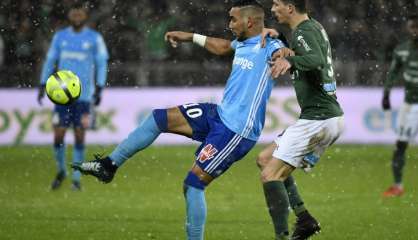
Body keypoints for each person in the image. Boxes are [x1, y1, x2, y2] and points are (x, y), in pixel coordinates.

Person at [73, 1, 286, 239]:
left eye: (233, 19)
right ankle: (109, 165)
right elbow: (224, 46)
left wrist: (284, 56)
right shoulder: (244, 43)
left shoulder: (271, 44)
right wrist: (190, 37)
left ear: (249, 22)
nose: (229, 24)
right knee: (158, 118)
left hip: (236, 131)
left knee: (193, 184)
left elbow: (283, 52)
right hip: (219, 115)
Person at [260, 0, 344, 239]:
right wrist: (282, 41)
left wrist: (290, 60)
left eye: (276, 4)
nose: (273, 9)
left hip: (319, 119)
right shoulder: (312, 27)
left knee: (269, 176)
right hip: (326, 117)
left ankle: (282, 236)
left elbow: (315, 59)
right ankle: (304, 219)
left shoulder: (304, 31)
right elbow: (307, 52)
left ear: (290, 7)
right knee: (264, 159)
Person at [38, 3, 109, 191]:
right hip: (61, 97)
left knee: (79, 134)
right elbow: (50, 60)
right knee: (59, 134)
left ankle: (76, 179)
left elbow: (102, 63)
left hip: (83, 96)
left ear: (85, 15)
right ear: (69, 15)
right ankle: (61, 170)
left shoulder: (94, 38)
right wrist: (42, 83)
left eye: (80, 13)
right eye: (74, 13)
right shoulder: (60, 37)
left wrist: (100, 86)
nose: (77, 16)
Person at [382, 15, 418, 197]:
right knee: (401, 146)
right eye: (412, 27)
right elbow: (393, 72)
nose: (415, 31)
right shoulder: (403, 50)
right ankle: (398, 186)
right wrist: (386, 93)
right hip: (410, 106)